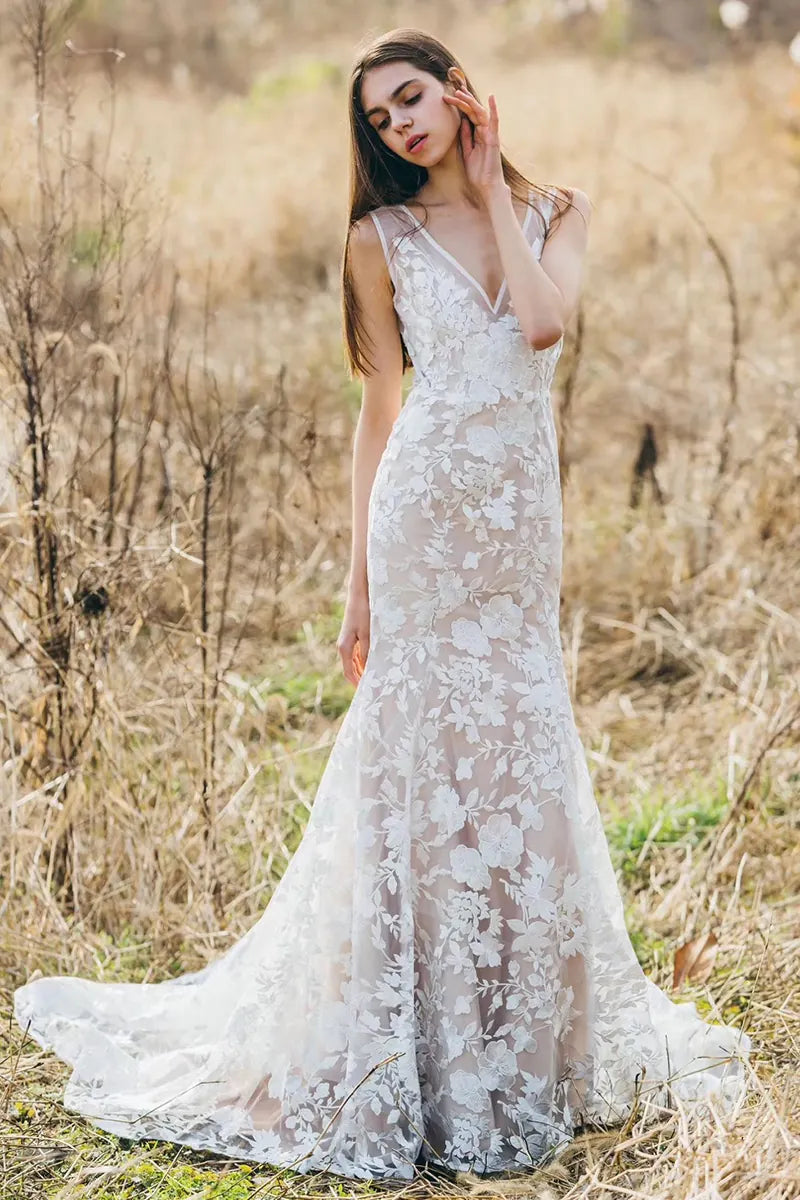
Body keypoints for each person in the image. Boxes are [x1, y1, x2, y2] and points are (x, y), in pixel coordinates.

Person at [14, 26, 751, 1184]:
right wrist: (357, 579)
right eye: (378, 118)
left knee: (514, 746)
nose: (398, 127)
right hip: (421, 522)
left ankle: (517, 1034)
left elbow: (541, 324)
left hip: (515, 527)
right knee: (417, 751)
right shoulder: (378, 238)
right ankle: (399, 1035)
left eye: (411, 100)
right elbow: (377, 415)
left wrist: (492, 174)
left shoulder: (560, 209)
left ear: (457, 91)